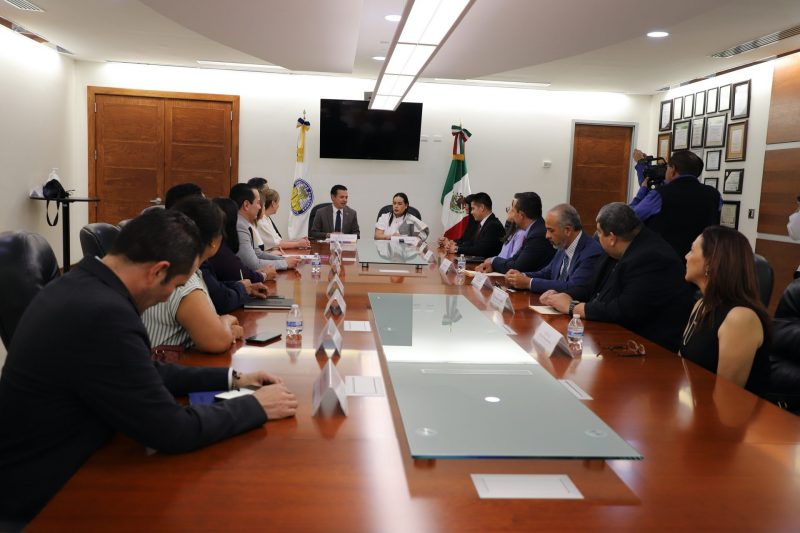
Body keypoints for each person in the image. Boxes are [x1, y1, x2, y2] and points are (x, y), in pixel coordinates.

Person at [0, 209, 297, 523]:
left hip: (67, 464)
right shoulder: (104, 314)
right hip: (47, 500)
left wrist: (233, 379)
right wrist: (256, 406)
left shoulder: (80, 284)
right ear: (158, 272)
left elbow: (144, 370)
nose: (169, 297)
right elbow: (172, 430)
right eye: (176, 285)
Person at [540, 202, 693, 351]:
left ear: (612, 238)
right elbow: (592, 287)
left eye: (599, 232)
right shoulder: (619, 248)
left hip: (649, 347)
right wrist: (563, 296)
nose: (596, 237)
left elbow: (625, 309)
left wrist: (573, 307)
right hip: (616, 335)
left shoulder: (651, 257)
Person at [142, 197, 245, 353]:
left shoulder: (158, 265)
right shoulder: (185, 282)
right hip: (168, 365)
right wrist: (227, 321)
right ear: (213, 241)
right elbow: (216, 342)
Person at [680, 226, 771, 394]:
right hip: (696, 400)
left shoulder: (740, 318)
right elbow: (683, 364)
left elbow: (727, 397)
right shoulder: (701, 305)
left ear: (710, 262)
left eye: (692, 250)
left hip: (732, 409)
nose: (686, 256)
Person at [630, 149, 721, 260]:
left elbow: (630, 218)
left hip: (662, 260)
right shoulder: (714, 195)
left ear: (672, 170)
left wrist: (642, 191)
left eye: (667, 167)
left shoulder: (660, 195)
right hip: (699, 259)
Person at [505, 203, 604, 300]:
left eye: (551, 230)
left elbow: (574, 287)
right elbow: (547, 273)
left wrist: (529, 282)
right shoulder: (563, 245)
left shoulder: (591, 252)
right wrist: (521, 276)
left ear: (567, 230)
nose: (547, 236)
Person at [474, 192, 554, 274]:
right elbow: (514, 259)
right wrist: (493, 265)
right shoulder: (534, 230)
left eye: (513, 210)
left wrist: (493, 261)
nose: (510, 213)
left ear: (521, 215)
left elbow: (518, 267)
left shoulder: (537, 235)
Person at [229, 184, 299, 272]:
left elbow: (258, 254)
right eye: (258, 203)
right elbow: (254, 264)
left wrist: (283, 259)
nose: (260, 207)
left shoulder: (245, 223)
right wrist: (285, 263)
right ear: (246, 205)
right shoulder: (239, 225)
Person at [208, 197, 276, 283]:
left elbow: (241, 271)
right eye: (258, 203)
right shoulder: (221, 250)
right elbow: (241, 270)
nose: (260, 207)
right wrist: (264, 275)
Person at [441, 192, 504, 258]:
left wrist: (457, 249)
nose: (471, 212)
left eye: (473, 208)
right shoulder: (487, 223)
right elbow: (472, 243)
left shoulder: (493, 226)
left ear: (482, 208)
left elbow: (481, 250)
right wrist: (454, 246)